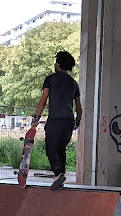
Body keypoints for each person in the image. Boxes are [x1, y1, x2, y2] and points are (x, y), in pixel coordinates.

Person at [32, 51, 82, 190]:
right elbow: (78, 105)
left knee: (51, 149)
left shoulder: (50, 79)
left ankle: (58, 173)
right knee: (61, 149)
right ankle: (61, 178)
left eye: (56, 62)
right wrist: (78, 120)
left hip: (55, 120)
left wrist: (36, 117)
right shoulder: (74, 83)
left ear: (58, 64)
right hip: (68, 121)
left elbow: (43, 100)